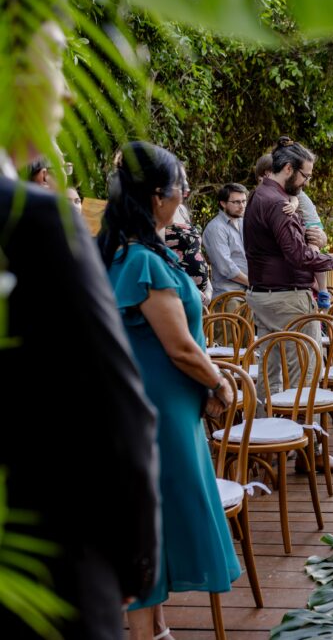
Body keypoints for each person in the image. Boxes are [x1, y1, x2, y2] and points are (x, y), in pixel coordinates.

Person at [0, 0, 160, 637]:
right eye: (58, 60)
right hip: (55, 571)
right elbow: (120, 412)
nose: (69, 92)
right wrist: (137, 564)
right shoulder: (39, 225)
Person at [97, 141, 240, 639]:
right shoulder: (144, 262)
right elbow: (179, 347)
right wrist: (220, 381)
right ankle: (146, 635)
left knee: (153, 515)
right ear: (158, 197)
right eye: (180, 186)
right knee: (152, 521)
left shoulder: (121, 252)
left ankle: (157, 629)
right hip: (158, 412)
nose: (184, 194)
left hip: (149, 406)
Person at [244, 137, 333, 468]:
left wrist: (309, 234)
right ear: (288, 169)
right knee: (307, 368)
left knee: (269, 369)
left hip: (263, 295)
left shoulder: (259, 195)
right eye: (304, 176)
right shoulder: (277, 203)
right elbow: (298, 255)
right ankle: (308, 451)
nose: (306, 182)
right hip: (288, 297)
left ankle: (268, 443)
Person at [164, 183, 213, 307]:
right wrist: (190, 289)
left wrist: (208, 287)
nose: (187, 187)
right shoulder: (154, 213)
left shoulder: (182, 209)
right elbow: (160, 258)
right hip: (177, 292)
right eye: (179, 180)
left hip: (200, 295)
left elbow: (195, 249)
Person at [203, 183, 249, 301]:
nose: (242, 205)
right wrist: (253, 283)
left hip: (248, 294)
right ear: (223, 203)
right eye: (236, 202)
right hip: (228, 296)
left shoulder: (243, 222)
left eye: (244, 201)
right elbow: (226, 267)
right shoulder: (216, 228)